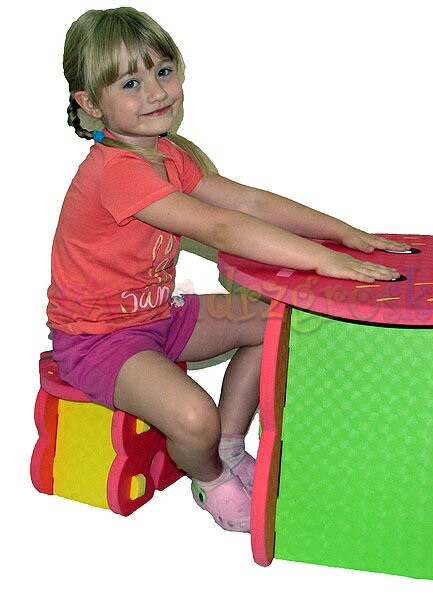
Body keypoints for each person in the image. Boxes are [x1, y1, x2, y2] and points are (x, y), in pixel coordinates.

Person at [47, 7, 408, 533]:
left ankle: (229, 446)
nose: (157, 92)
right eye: (131, 82)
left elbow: (249, 203)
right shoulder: (116, 172)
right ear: (91, 104)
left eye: (163, 71)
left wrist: (341, 231)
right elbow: (221, 228)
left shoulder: (167, 155)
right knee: (195, 417)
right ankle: (210, 478)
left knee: (278, 322)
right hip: (97, 340)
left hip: (158, 316)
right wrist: (324, 259)